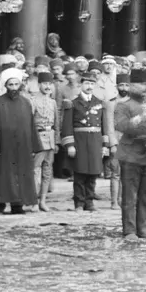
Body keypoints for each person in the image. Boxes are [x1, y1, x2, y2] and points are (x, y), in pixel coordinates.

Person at [0, 68, 39, 214]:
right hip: (4, 146)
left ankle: (17, 205)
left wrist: (33, 146)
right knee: (2, 176)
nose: (14, 88)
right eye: (11, 85)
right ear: (6, 86)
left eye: (16, 84)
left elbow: (31, 125)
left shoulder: (26, 103)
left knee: (20, 175)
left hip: (22, 147)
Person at [114, 67, 146, 239]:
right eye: (140, 84)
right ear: (131, 86)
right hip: (130, 154)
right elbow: (120, 125)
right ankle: (130, 230)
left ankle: (143, 228)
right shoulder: (122, 105)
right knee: (130, 195)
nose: (144, 87)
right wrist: (140, 118)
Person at [61, 75, 106, 212]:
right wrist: (70, 145)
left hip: (95, 142)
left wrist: (104, 145)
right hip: (79, 142)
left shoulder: (99, 102)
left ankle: (89, 202)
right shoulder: (72, 103)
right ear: (81, 84)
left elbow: (103, 126)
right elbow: (67, 125)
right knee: (80, 174)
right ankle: (79, 203)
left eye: (92, 84)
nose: (89, 86)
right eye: (87, 83)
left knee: (93, 174)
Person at [29, 72, 61, 211]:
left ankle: (43, 201)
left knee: (47, 171)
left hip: (50, 138)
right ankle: (34, 201)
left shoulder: (53, 102)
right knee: (36, 170)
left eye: (50, 84)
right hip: (38, 138)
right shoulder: (33, 101)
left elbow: (57, 124)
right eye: (45, 84)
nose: (48, 86)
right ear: (39, 85)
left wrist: (57, 142)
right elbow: (29, 123)